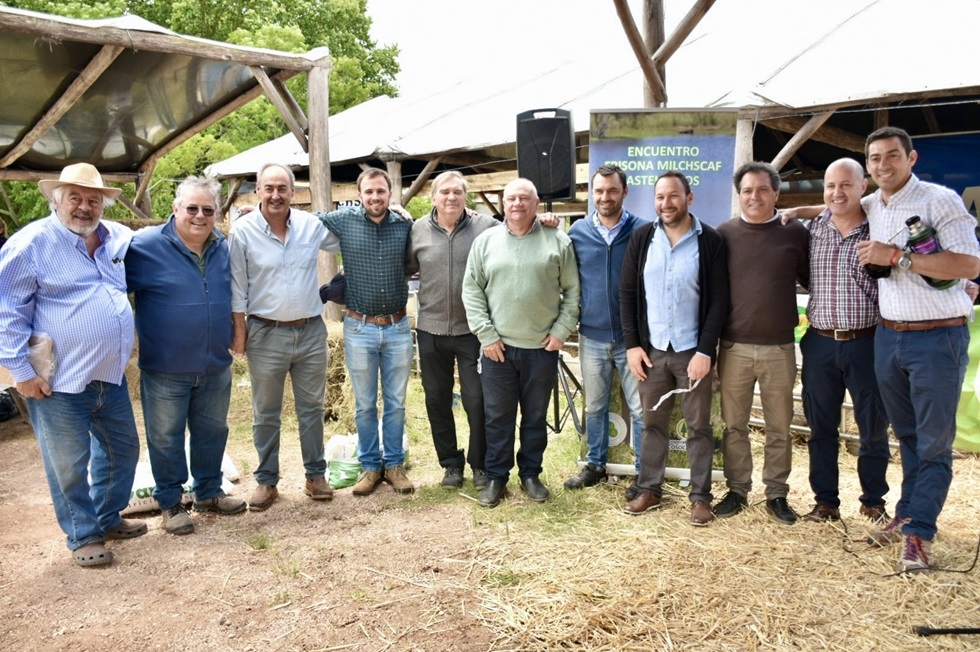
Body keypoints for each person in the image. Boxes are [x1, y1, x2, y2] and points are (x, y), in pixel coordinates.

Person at [0, 163, 145, 567]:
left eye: (93, 200)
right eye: (75, 198)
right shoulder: (30, 244)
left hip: (109, 374)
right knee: (67, 461)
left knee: (122, 450)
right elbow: (7, 313)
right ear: (56, 200)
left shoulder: (115, 236)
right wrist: (22, 374)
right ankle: (83, 534)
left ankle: (107, 516)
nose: (85, 207)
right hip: (58, 381)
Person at [854, 127, 980, 571]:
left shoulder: (939, 199)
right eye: (875, 159)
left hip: (937, 336)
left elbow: (969, 264)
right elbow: (838, 204)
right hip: (890, 336)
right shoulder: (874, 203)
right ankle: (908, 510)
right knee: (906, 435)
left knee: (933, 443)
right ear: (867, 166)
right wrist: (798, 211)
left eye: (892, 156)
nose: (883, 165)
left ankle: (919, 533)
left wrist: (897, 258)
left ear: (912, 157)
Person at [126, 177, 246, 535]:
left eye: (207, 210)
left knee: (212, 431)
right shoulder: (144, 246)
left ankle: (208, 491)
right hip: (165, 368)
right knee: (165, 436)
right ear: (175, 209)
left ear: (217, 214)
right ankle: (171, 502)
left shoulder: (222, 246)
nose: (199, 216)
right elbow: (111, 286)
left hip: (213, 364)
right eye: (191, 208)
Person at [462, 178, 580, 507]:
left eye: (524, 198)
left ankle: (531, 473)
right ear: (502, 203)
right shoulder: (485, 242)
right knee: (497, 417)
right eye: (511, 198)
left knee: (534, 416)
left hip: (541, 349)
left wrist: (561, 330)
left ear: (537, 202)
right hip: (497, 348)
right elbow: (471, 291)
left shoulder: (558, 241)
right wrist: (486, 335)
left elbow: (573, 292)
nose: (517, 203)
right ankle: (497, 476)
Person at [619, 172, 729, 524]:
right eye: (660, 197)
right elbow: (627, 295)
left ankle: (700, 497)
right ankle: (649, 488)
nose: (667, 203)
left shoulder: (709, 240)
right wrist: (633, 346)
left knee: (698, 426)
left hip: (691, 350)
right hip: (651, 352)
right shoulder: (642, 239)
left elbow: (719, 301)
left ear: (689, 198)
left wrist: (705, 351)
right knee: (653, 423)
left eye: (674, 196)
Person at [229, 163, 340, 511]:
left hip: (309, 330)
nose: (275, 195)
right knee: (265, 412)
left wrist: (393, 211)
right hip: (266, 332)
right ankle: (266, 481)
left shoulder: (311, 226)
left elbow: (349, 236)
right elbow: (236, 287)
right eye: (269, 188)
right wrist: (240, 334)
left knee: (312, 409)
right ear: (258, 191)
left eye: (282, 188)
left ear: (294, 192)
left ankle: (315, 475)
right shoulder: (243, 231)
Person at [713, 161, 809, 525]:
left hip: (780, 348)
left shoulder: (795, 232)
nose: (755, 196)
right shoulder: (723, 234)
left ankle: (777, 494)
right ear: (739, 196)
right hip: (734, 347)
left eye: (762, 190)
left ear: (776, 194)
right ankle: (738, 489)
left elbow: (811, 277)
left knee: (779, 426)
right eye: (747, 190)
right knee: (734, 424)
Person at [799, 159, 891, 525]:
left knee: (872, 427)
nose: (838, 192)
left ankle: (873, 501)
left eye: (846, 185)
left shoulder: (878, 230)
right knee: (820, 428)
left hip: (866, 343)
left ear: (862, 187)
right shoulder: (811, 229)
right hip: (819, 342)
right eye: (831, 185)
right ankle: (826, 503)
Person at [317, 168, 416, 496]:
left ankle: (394, 465)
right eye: (369, 192)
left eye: (381, 192)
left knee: (396, 401)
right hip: (358, 327)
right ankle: (370, 466)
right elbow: (306, 219)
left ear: (390, 194)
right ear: (359, 194)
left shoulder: (404, 225)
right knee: (363, 403)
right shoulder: (344, 220)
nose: (375, 197)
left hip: (398, 327)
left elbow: (437, 226)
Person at [406, 171, 496, 490]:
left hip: (473, 331)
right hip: (430, 330)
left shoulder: (486, 227)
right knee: (437, 400)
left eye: (458, 192)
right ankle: (450, 465)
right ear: (433, 197)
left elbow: (518, 232)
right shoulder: (416, 230)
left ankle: (480, 465)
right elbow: (403, 267)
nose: (451, 197)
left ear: (465, 197)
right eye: (445, 192)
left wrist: (546, 222)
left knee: (477, 399)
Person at [563, 164, 646, 496]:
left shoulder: (643, 231)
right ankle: (595, 464)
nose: (605, 197)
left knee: (640, 409)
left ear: (624, 192)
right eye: (598, 191)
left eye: (612, 190)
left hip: (632, 340)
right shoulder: (577, 232)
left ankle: (644, 474)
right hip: (592, 337)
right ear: (591, 193)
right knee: (595, 405)